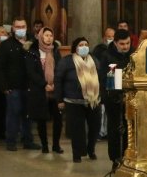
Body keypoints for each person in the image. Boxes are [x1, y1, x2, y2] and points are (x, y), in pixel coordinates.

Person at [55, 37, 103, 164]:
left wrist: (101, 95)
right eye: (81, 45)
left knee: (95, 127)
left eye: (86, 44)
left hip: (93, 100)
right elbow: (58, 80)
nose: (84, 47)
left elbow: (100, 78)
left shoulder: (94, 60)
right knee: (77, 129)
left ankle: (91, 149)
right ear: (75, 47)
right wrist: (59, 99)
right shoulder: (66, 61)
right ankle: (77, 153)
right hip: (73, 101)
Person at [0, 18, 37, 151]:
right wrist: (4, 86)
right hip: (13, 86)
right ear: (13, 29)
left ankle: (28, 140)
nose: (21, 29)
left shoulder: (32, 43)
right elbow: (0, 67)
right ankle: (11, 141)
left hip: (29, 85)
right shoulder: (6, 45)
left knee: (28, 114)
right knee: (13, 114)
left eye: (23, 26)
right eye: (18, 27)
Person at [98, 29, 134, 164]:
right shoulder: (108, 56)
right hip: (114, 100)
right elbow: (108, 80)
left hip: (131, 100)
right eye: (122, 44)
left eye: (128, 43)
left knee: (130, 130)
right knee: (115, 130)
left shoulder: (134, 54)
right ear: (115, 43)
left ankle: (129, 156)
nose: (125, 46)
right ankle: (116, 159)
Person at [27, 27, 63, 154]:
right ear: (41, 37)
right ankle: (45, 145)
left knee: (58, 119)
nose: (49, 38)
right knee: (41, 119)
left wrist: (55, 84)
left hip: (55, 90)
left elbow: (60, 69)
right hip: (40, 91)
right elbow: (31, 72)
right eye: (46, 35)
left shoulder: (55, 51)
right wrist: (44, 84)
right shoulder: (33, 52)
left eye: (51, 35)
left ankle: (56, 145)